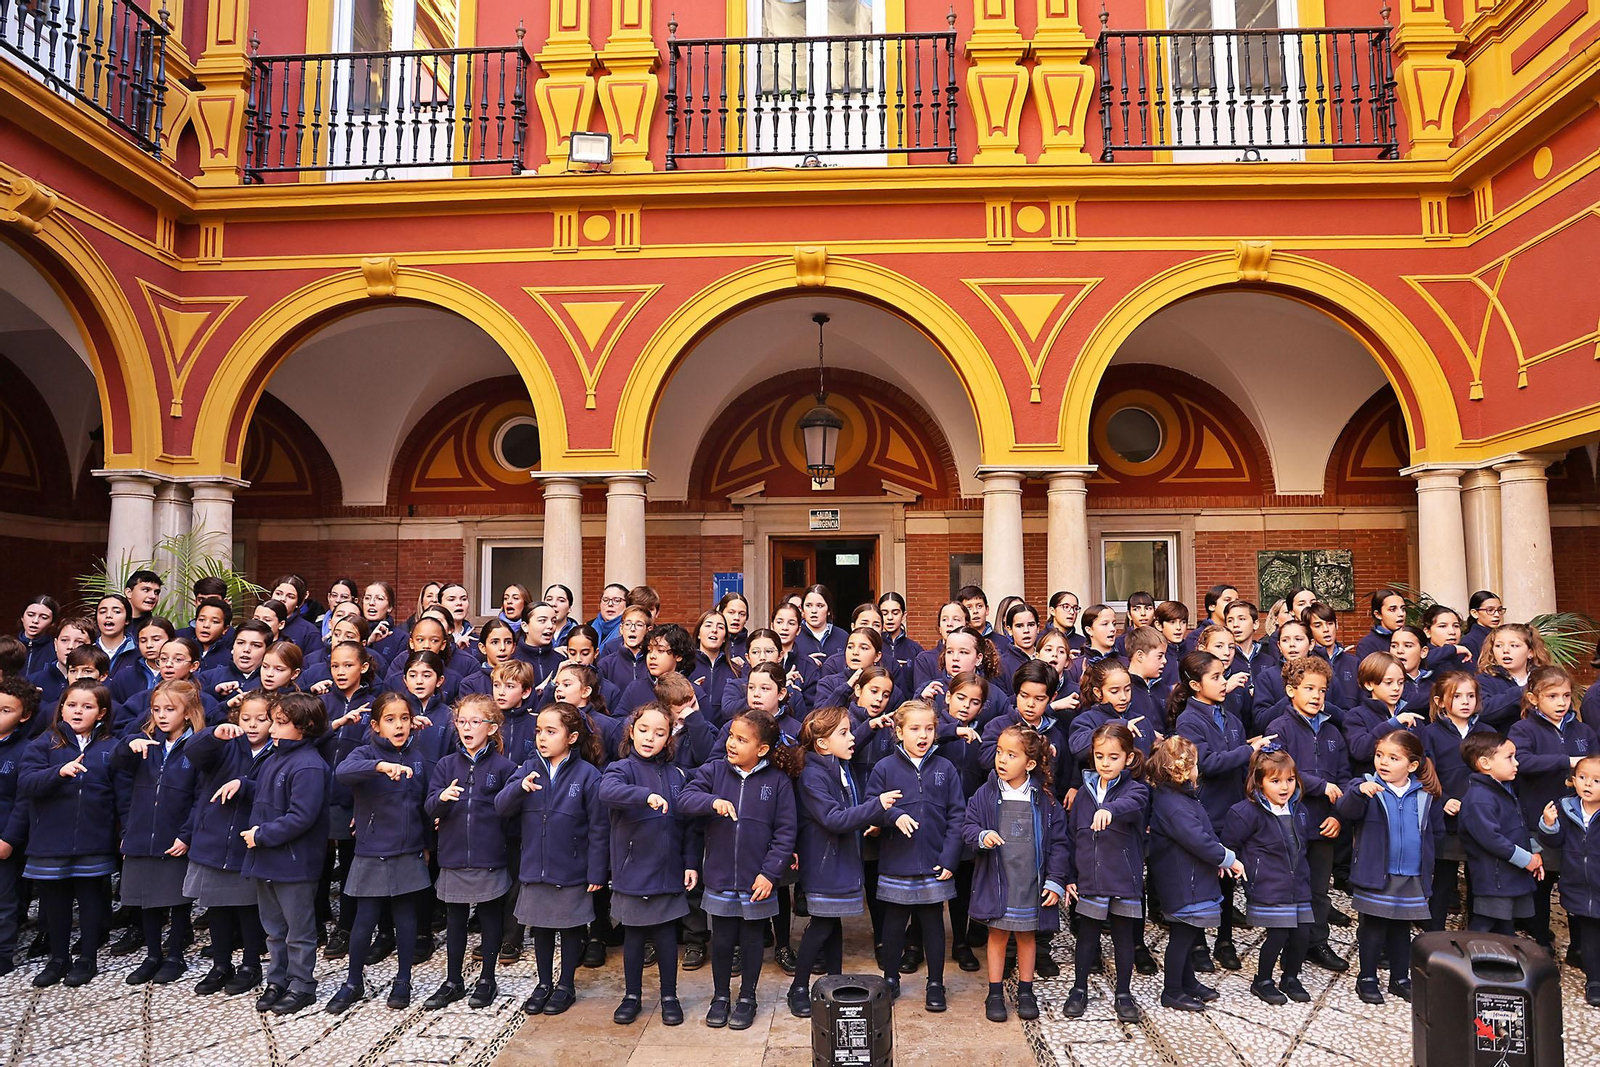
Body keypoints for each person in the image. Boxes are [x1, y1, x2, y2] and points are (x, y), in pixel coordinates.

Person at [678, 709, 801, 1029]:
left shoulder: (777, 782)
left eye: (741, 739)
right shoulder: (715, 771)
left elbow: (786, 832)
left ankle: (748, 996)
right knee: (721, 941)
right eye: (731, 736)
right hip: (719, 877)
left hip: (757, 880)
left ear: (761, 749)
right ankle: (720, 996)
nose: (731, 743)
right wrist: (710, 803)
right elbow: (685, 799)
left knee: (751, 940)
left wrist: (770, 873)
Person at [786, 706, 900, 1018]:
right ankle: (798, 987)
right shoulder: (812, 774)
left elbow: (848, 810)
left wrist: (869, 817)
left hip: (841, 859)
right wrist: (876, 806)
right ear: (822, 743)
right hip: (824, 864)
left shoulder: (837, 765)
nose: (853, 738)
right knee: (822, 924)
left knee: (832, 923)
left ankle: (832, 983)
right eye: (845, 733)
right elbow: (833, 819)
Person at [497, 702, 608, 1015]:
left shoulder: (588, 775)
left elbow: (599, 829)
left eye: (550, 731)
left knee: (571, 928)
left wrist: (597, 872)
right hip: (535, 866)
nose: (542, 738)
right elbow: (500, 807)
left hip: (572, 867)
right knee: (541, 928)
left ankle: (566, 984)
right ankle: (544, 982)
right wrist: (519, 787)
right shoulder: (527, 767)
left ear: (571, 737)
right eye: (538, 731)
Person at [327, 691, 433, 1013]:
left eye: (404, 718)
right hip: (372, 850)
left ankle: (403, 980)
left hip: (408, 850)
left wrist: (426, 845)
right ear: (375, 725)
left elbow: (425, 805)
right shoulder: (363, 754)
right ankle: (353, 982)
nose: (398, 725)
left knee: (405, 918)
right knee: (365, 920)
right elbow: (342, 774)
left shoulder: (418, 757)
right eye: (390, 719)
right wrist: (378, 766)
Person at [1172, 650, 1273, 972]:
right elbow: (1206, 763)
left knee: (1228, 880)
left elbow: (1238, 758)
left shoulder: (1230, 716)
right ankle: (1199, 943)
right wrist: (1248, 750)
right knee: (1202, 879)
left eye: (1222, 675)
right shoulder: (1188, 720)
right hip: (1206, 810)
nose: (1222, 682)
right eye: (1215, 677)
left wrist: (1251, 751)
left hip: (1232, 810)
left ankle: (1225, 939)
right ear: (1194, 685)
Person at [599, 702, 698, 1027]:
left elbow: (688, 825)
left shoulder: (676, 774)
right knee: (635, 938)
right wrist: (644, 796)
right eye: (643, 730)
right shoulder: (620, 769)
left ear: (669, 738)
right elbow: (608, 792)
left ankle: (669, 996)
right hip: (632, 871)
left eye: (659, 733)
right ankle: (632, 996)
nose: (649, 738)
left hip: (668, 870)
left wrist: (690, 863)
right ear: (631, 730)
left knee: (667, 937)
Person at [19, 679, 120, 987]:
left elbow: (122, 793)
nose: (78, 711)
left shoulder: (110, 747)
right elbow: (26, 783)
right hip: (51, 840)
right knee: (55, 904)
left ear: (101, 713)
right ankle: (58, 959)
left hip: (94, 838)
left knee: (91, 901)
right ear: (61, 708)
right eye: (71, 705)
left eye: (87, 706)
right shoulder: (44, 743)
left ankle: (88, 958)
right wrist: (58, 773)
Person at [866, 700, 966, 1011]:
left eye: (929, 728)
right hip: (897, 860)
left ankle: (935, 982)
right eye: (914, 729)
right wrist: (892, 815)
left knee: (933, 924)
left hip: (935, 862)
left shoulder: (945, 769)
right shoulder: (884, 768)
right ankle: (891, 978)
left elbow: (957, 816)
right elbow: (871, 806)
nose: (922, 735)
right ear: (899, 732)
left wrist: (950, 858)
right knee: (894, 924)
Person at [239, 691, 330, 1016]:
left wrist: (262, 835)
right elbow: (268, 794)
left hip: (294, 863)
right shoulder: (274, 756)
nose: (271, 728)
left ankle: (302, 985)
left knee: (298, 932)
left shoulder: (309, 765)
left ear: (304, 727)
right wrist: (243, 785)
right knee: (274, 931)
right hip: (266, 861)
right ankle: (277, 980)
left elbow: (301, 816)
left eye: (280, 723)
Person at [1337, 728, 1444, 1004]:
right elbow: (1345, 812)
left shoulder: (1425, 795)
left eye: (1393, 758)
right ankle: (1367, 977)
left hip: (1411, 875)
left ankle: (1400, 978)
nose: (1383, 762)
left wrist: (1427, 868)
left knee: (1401, 928)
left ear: (1412, 765)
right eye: (1379, 755)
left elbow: (1435, 834)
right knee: (1372, 927)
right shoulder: (1365, 787)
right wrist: (1359, 793)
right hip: (1375, 873)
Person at [426, 693, 518, 1011]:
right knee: (456, 920)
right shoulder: (446, 764)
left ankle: (487, 979)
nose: (467, 727)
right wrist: (443, 798)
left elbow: (511, 811)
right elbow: (429, 807)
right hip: (452, 855)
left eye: (475, 722)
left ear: (491, 728)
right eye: (462, 721)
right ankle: (453, 980)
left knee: (491, 917)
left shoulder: (504, 767)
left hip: (489, 854)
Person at [111, 679, 204, 986]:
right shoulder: (144, 743)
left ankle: (175, 954)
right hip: (140, 834)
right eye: (156, 709)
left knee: (177, 900)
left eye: (170, 709)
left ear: (188, 713)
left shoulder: (197, 747)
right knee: (145, 899)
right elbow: (115, 768)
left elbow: (200, 798)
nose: (162, 715)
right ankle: (152, 955)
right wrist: (127, 746)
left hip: (174, 834)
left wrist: (186, 834)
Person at [183, 691, 275, 996]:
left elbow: (275, 789)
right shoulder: (226, 745)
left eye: (261, 719)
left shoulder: (277, 751)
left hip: (248, 843)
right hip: (213, 838)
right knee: (217, 907)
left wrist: (244, 786)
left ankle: (251, 964)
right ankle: (221, 964)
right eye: (246, 718)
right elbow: (193, 753)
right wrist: (212, 735)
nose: (253, 725)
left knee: (248, 908)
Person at [1146, 734, 1244, 1012]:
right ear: (1184, 770)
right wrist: (1227, 859)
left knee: (1187, 934)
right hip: (1183, 882)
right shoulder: (1175, 805)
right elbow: (1197, 839)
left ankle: (1187, 982)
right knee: (1182, 937)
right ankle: (1173, 990)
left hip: (1189, 878)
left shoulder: (1179, 797)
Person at [1264, 657, 1349, 971]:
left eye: (1322, 690)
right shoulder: (1279, 728)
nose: (1316, 695)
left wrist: (1339, 816)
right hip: (1289, 824)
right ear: (1290, 690)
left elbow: (1344, 778)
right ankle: (1286, 942)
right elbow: (1277, 772)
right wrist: (1319, 785)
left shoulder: (1332, 731)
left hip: (1323, 823)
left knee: (1318, 890)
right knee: (1289, 887)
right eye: (1309, 688)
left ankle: (1317, 942)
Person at [1059, 722, 1146, 1024]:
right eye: (1099, 756)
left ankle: (1123, 992)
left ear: (1128, 759)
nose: (1105, 763)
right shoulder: (1083, 794)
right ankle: (1079, 988)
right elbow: (1071, 837)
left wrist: (1112, 809)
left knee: (1124, 937)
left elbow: (1134, 804)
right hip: (1090, 879)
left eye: (1113, 757)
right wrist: (1070, 877)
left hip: (1123, 878)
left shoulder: (1136, 789)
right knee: (1087, 936)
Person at [1507, 665, 1594, 953]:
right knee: (1541, 883)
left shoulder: (1582, 730)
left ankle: (1580, 947)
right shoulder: (1523, 728)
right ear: (1533, 699)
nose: (1561, 703)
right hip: (1538, 818)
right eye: (1552, 696)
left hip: (1579, 820)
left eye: (1566, 696)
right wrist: (1565, 761)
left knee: (1577, 881)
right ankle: (1541, 941)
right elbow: (1521, 762)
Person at [1223, 747, 1315, 1005]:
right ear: (1259, 782)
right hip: (1269, 885)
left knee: (1302, 932)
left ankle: (1291, 976)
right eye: (1275, 781)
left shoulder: (1299, 810)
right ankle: (1263, 980)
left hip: (1299, 884)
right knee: (1279, 934)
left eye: (1290, 780)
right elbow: (1231, 845)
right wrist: (1247, 871)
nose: (1284, 787)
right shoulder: (1246, 812)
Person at [1420, 671, 1492, 932]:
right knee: (1443, 880)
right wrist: (1443, 800)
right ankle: (1434, 933)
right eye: (1457, 696)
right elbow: (1426, 774)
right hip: (1446, 819)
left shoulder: (1487, 733)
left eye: (1470, 696)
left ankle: (1475, 934)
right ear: (1440, 701)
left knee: (1478, 879)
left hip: (1480, 819)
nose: (1465, 702)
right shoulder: (1430, 733)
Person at [1459, 732, 1543, 937]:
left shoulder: (1503, 790)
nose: (1516, 763)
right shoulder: (1480, 798)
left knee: (1505, 926)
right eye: (1509, 757)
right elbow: (1492, 839)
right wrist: (1526, 859)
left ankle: (1500, 965)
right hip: (1494, 877)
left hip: (1510, 874)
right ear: (1485, 763)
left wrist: (1535, 852)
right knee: (1485, 924)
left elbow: (1516, 827)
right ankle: (1468, 961)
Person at [1536, 753, 1600, 1006]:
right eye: (1582, 778)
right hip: (1578, 883)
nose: (1587, 784)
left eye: (1596, 780)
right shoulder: (1567, 807)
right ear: (1573, 780)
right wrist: (1549, 824)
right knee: (1589, 933)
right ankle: (1594, 979)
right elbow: (1554, 841)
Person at [0, 677, 38, 976]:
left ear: (23, 716)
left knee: (4, 899)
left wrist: (9, 838)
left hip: (4, 836)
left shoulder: (25, 750)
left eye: (5, 711)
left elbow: (23, 800)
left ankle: (2, 954)